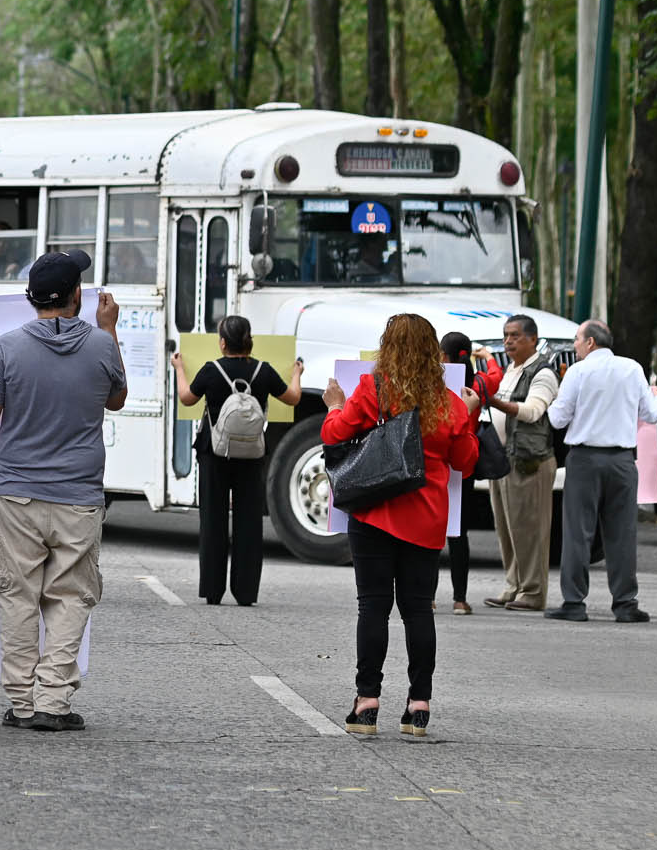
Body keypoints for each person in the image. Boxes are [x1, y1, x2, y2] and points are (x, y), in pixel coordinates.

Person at [0, 251, 127, 733]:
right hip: (78, 495)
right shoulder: (100, 346)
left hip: (16, 494)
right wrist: (110, 328)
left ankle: (21, 704)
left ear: (30, 298)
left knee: (16, 596)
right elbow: (116, 399)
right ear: (79, 296)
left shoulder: (9, 348)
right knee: (70, 596)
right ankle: (53, 702)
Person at [319, 313, 480, 738]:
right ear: (433, 352)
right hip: (426, 518)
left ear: (388, 347)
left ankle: (367, 701)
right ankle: (419, 705)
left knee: (373, 606)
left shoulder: (374, 390)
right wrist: (472, 416)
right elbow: (465, 461)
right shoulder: (451, 403)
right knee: (417, 610)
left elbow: (335, 433)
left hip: (375, 513)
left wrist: (335, 404)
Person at [170, 316, 302, 606]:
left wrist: (179, 368)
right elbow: (293, 398)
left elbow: (186, 398)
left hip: (214, 452)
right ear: (249, 341)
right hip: (252, 454)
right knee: (249, 522)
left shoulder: (211, 370)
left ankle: (213, 590)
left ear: (222, 343)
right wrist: (296, 372)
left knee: (213, 520)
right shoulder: (263, 371)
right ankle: (245, 592)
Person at [544, 319, 657, 623]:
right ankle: (625, 602)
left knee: (577, 532)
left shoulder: (578, 371)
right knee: (622, 533)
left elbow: (558, 419)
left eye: (577, 339)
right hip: (622, 460)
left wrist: (551, 401)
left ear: (590, 343)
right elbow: (651, 414)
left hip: (584, 459)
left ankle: (574, 602)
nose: (574, 345)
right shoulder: (633, 368)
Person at [476, 317, 562, 614]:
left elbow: (532, 411)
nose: (509, 341)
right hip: (503, 459)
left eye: (515, 336)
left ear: (533, 339)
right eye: (505, 336)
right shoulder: (512, 370)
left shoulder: (543, 373)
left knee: (530, 529)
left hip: (529, 462)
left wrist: (493, 402)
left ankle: (533, 592)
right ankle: (514, 585)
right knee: (507, 528)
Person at [437, 332, 489, 615]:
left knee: (433, 529)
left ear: (443, 356)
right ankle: (460, 599)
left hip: (441, 460)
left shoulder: (439, 383)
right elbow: (495, 376)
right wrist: (489, 359)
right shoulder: (478, 383)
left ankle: (429, 597)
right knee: (459, 533)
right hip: (466, 463)